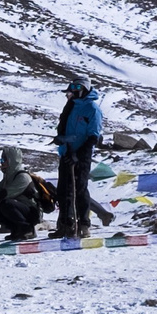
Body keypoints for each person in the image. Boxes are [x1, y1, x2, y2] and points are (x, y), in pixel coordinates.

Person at [54, 81, 105, 239]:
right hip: (66, 152)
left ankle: (84, 224)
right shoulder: (70, 106)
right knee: (63, 190)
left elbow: (93, 136)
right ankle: (66, 224)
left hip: (82, 154)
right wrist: (62, 140)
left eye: (75, 89)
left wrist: (79, 155)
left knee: (80, 189)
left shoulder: (92, 109)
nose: (71, 94)